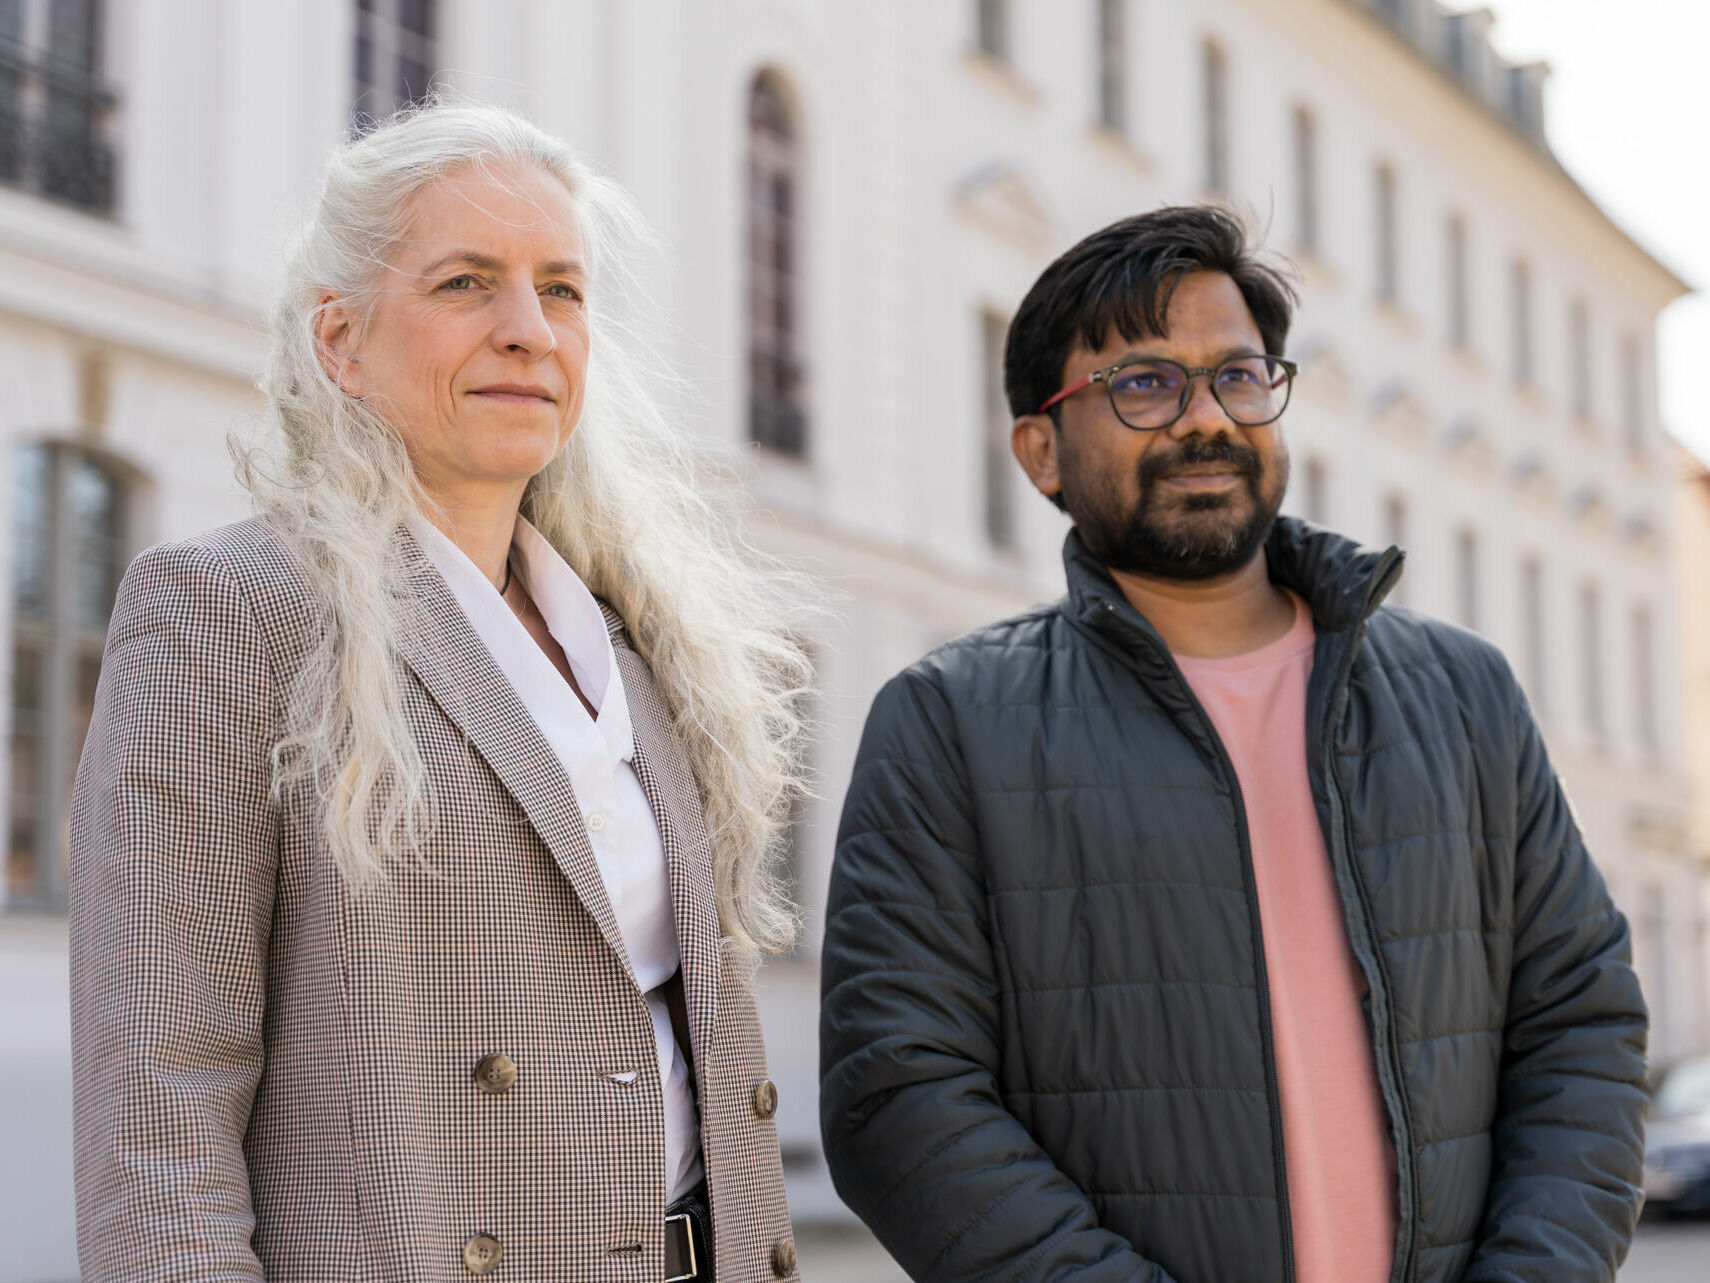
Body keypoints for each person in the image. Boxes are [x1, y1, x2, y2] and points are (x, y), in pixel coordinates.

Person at [819, 205, 1647, 1282]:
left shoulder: (1464, 694)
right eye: (1144, 383)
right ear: (1041, 450)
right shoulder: (950, 722)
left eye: (1240, 377)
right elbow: (901, 1093)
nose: (1204, 418)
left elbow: (1579, 1023)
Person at [70, 102, 809, 1283]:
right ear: (341, 340)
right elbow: (157, 1111)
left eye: (561, 290)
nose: (530, 331)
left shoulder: (638, 635)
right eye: (467, 282)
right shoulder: (224, 606)